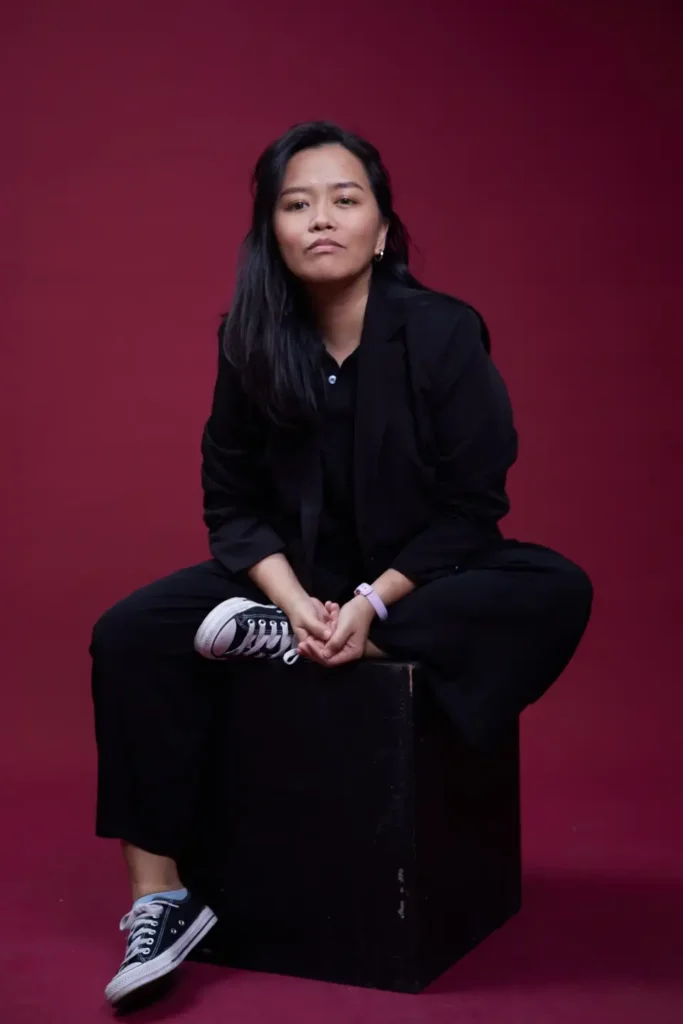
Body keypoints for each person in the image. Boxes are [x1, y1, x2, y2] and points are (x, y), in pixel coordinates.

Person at [91, 120, 593, 1008]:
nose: (320, 218)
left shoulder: (442, 333)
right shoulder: (249, 341)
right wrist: (291, 600)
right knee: (128, 633)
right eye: (296, 204)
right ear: (272, 233)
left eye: (343, 199)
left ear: (382, 227)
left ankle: (341, 642)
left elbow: (472, 505)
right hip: (287, 578)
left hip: (416, 579)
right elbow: (231, 505)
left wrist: (369, 605)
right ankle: (160, 899)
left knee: (554, 587)